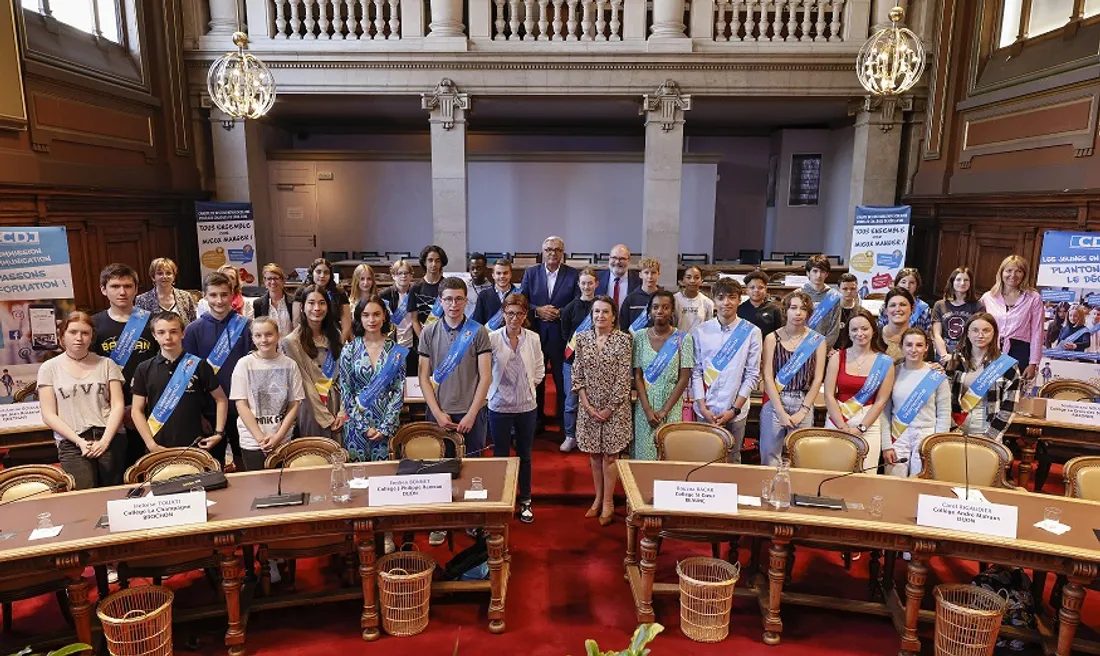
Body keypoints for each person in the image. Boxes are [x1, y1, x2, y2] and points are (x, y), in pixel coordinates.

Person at [419, 277, 492, 545]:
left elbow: (485, 377)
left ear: (466, 300)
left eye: (459, 299)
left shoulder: (478, 331)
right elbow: (423, 377)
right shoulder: (429, 332)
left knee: (473, 469)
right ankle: (440, 522)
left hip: (472, 412)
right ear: (440, 301)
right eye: (448, 299)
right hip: (439, 412)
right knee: (440, 470)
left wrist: (472, 413)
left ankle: (473, 520)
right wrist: (437, 412)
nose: (453, 304)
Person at [38, 312, 125, 489]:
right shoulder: (48, 368)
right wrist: (79, 442)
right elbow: (48, 414)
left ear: (92, 336)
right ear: (62, 336)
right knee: (84, 496)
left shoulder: (107, 364)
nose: (79, 338)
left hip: (108, 438)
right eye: (73, 332)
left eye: (85, 333)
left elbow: (117, 405)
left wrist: (105, 441)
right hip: (72, 442)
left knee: (114, 494)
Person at [572, 296, 632, 526]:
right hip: (588, 408)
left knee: (610, 455)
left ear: (614, 315)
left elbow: (623, 379)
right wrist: (587, 406)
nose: (600, 316)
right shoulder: (583, 339)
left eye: (605, 311)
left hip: (614, 410)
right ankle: (597, 498)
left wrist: (608, 409)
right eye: (596, 311)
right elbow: (577, 374)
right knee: (594, 455)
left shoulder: (623, 340)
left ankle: (608, 502)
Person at [183, 272, 254, 466]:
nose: (219, 300)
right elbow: (189, 376)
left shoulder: (247, 326)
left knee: (245, 461)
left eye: (224, 294)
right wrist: (198, 413)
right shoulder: (193, 330)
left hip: (244, 406)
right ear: (205, 296)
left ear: (232, 294)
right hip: (210, 409)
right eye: (213, 295)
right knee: (214, 464)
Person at [91, 263, 157, 465]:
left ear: (136, 289)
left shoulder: (152, 322)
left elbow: (161, 366)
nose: (122, 292)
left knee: (149, 466)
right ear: (104, 289)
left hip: (149, 407)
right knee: (118, 469)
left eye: (128, 286)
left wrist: (138, 406)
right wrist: (118, 408)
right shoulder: (94, 324)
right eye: (115, 286)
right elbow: (91, 370)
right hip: (109, 410)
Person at [132, 311, 226, 452]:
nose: (168, 337)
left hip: (195, 445)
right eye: (161, 332)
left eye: (174, 331)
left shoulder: (199, 365)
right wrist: (151, 445)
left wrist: (218, 433)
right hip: (158, 446)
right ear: (154, 336)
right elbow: (136, 411)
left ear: (183, 333)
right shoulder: (144, 368)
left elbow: (221, 399)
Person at [488, 293, 545, 523]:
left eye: (519, 313)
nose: (514, 318)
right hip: (499, 405)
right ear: (503, 314)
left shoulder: (533, 338)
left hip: (526, 405)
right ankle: (503, 499)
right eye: (510, 313)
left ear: (525, 315)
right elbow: (484, 372)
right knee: (501, 455)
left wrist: (529, 387)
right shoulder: (492, 338)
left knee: (525, 455)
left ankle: (525, 500)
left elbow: (540, 369)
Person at [691, 279, 762, 463]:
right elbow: (696, 371)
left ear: (739, 299)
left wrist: (734, 409)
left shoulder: (751, 332)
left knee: (733, 459)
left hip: (736, 411)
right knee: (702, 459)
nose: (726, 302)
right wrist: (702, 406)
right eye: (721, 298)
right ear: (714, 300)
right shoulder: (701, 331)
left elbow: (752, 375)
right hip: (705, 410)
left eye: (732, 297)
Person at [758, 290, 827, 466]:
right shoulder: (772, 338)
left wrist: (804, 410)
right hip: (775, 401)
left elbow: (818, 378)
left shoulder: (817, 340)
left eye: (803, 309)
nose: (798, 313)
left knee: (801, 459)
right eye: (793, 308)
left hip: (804, 401)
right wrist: (780, 412)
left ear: (808, 313)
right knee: (769, 456)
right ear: (786, 311)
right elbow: (767, 376)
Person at [518, 235, 579, 428]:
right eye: (549, 250)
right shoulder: (531, 273)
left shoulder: (573, 274)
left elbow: (577, 302)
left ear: (563, 253)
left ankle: (563, 423)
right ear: (542, 253)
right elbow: (523, 300)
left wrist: (559, 313)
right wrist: (537, 310)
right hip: (536, 335)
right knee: (536, 379)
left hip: (562, 337)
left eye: (557, 250)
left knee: (563, 381)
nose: (552, 253)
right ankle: (536, 422)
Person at [823, 308, 895, 470]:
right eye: (854, 329)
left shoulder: (885, 362)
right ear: (848, 333)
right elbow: (828, 394)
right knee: (832, 474)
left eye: (864, 328)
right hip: (838, 420)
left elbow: (881, 401)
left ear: (873, 331)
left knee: (866, 478)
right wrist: (842, 427)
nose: (859, 333)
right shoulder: (837, 357)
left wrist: (861, 428)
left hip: (868, 424)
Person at [230, 317, 304, 471]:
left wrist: (278, 437)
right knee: (257, 487)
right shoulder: (244, 364)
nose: (263, 340)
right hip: (252, 440)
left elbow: (294, 403)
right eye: (258, 335)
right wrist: (260, 438)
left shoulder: (290, 365)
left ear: (278, 336)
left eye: (268, 334)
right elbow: (241, 404)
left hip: (283, 439)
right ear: (252, 338)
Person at [339, 296, 407, 463]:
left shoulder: (396, 351)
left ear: (384, 316)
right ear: (359, 318)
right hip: (356, 425)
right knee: (358, 480)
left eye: (376, 314)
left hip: (387, 423)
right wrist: (363, 427)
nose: (371, 320)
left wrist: (386, 426)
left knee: (386, 480)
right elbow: (345, 391)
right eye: (366, 315)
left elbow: (399, 390)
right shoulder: (349, 349)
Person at [633, 290, 694, 460]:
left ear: (672, 311)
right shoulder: (639, 337)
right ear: (650, 311)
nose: (660, 311)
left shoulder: (684, 339)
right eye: (655, 307)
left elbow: (684, 377)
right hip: (645, 405)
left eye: (665, 307)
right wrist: (647, 410)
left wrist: (664, 411)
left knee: (669, 456)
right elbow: (637, 375)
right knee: (645, 456)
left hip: (672, 405)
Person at [882, 328, 950, 477]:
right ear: (901, 347)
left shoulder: (936, 375)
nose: (914, 349)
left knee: (920, 484)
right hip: (898, 434)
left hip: (926, 435)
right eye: (909, 345)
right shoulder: (892, 372)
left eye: (919, 345)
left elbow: (944, 413)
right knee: (894, 483)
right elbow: (884, 411)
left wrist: (938, 443)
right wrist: (886, 445)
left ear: (926, 347)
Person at [282, 285, 346, 442]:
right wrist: (326, 418)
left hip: (337, 404)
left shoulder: (335, 335)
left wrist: (343, 411)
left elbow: (345, 375)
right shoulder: (291, 342)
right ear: (302, 307)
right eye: (311, 303)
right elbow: (305, 383)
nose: (317, 308)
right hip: (312, 407)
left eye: (322, 303)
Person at [947, 312, 1021, 442]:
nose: (980, 335)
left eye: (986, 331)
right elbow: (944, 400)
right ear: (967, 333)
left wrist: (990, 437)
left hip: (987, 430)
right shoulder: (954, 361)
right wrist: (953, 429)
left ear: (994, 333)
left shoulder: (1007, 365)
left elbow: (1009, 407)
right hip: (956, 428)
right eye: (975, 330)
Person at [980, 255, 1043, 380]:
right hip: (991, 349)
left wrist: (1033, 363)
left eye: (1018, 271)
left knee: (1014, 393)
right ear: (1001, 272)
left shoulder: (1033, 298)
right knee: (989, 392)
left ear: (1024, 274)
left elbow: (1037, 332)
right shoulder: (988, 297)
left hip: (1020, 351)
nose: (1013, 275)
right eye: (1009, 270)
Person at [558, 267, 597, 452]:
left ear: (596, 284)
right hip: (572, 362)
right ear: (578, 284)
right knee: (571, 401)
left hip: (597, 363)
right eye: (583, 283)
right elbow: (565, 335)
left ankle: (589, 436)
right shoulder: (569, 309)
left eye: (590, 283)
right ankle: (570, 436)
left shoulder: (602, 306)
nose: (587, 286)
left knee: (594, 400)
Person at [379, 259, 422, 376]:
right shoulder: (385, 295)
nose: (403, 276)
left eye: (406, 273)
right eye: (399, 273)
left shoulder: (417, 294)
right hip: (392, 346)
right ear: (393, 276)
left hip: (412, 346)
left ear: (411, 275)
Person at [931, 267, 983, 363]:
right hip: (943, 353)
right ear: (952, 282)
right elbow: (937, 334)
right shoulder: (940, 305)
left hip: (967, 354)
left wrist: (959, 358)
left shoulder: (977, 306)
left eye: (966, 280)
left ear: (970, 283)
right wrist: (944, 356)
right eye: (958, 279)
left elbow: (977, 334)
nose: (962, 283)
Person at [294, 258, 351, 343]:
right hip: (307, 339)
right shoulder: (301, 292)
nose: (322, 275)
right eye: (318, 272)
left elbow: (346, 326)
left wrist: (339, 345)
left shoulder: (339, 293)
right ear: (312, 273)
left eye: (326, 272)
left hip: (334, 339)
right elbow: (296, 321)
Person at [135, 258, 197, 326]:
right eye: (160, 273)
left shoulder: (186, 296)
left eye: (168, 273)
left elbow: (194, 324)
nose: (164, 276)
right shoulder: (142, 300)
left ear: (174, 276)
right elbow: (137, 327)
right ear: (153, 277)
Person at [802, 255, 843, 347]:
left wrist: (823, 348)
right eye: (815, 271)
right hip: (800, 348)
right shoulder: (798, 294)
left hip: (824, 347)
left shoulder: (833, 296)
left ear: (827, 274)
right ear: (808, 273)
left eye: (822, 272)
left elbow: (834, 328)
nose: (819, 275)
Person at [473, 258, 518, 331]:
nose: (502, 276)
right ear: (493, 275)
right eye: (498, 273)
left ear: (510, 275)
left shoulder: (519, 295)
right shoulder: (484, 295)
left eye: (505, 273)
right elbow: (477, 322)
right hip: (490, 338)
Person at [252, 263, 294, 337]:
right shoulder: (258, 304)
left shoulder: (294, 302)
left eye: (276, 278)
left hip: (290, 346)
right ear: (264, 281)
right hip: (269, 346)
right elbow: (258, 329)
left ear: (282, 280)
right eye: (269, 279)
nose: (273, 282)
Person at [620, 257, 661, 333]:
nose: (650, 276)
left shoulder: (664, 298)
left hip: (659, 341)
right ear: (640, 275)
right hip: (635, 341)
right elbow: (623, 325)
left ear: (659, 274)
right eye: (646, 273)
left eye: (653, 273)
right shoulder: (631, 299)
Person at [411, 245, 448, 327]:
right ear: (424, 262)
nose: (434, 264)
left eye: (437, 261)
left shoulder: (447, 286)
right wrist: (422, 338)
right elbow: (414, 320)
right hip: (422, 334)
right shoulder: (415, 288)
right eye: (430, 260)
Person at [738, 269, 782, 338]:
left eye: (760, 288)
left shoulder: (774, 309)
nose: (756, 290)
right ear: (746, 290)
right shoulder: (739, 310)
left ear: (766, 289)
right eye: (752, 288)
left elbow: (779, 332)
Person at [595, 244, 639, 311]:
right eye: (614, 258)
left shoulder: (639, 281)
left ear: (629, 260)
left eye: (622, 258)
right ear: (609, 258)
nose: (618, 262)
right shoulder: (596, 278)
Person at [880, 287, 918, 361]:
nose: (897, 309)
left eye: (903, 305)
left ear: (912, 308)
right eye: (892, 305)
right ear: (886, 310)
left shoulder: (921, 339)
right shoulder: (873, 337)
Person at [674, 266, 714, 334]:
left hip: (699, 342)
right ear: (683, 280)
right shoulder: (674, 300)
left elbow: (709, 328)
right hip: (678, 341)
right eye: (688, 277)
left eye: (696, 278)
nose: (692, 281)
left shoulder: (708, 303)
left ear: (701, 281)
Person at [834, 272, 862, 350]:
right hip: (833, 351)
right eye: (845, 289)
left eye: (852, 289)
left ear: (857, 289)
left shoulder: (861, 312)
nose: (849, 292)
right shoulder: (831, 311)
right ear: (838, 289)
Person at [467, 253, 494, 317]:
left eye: (479, 268)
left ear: (485, 269)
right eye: (472, 268)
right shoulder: (464, 288)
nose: (475, 271)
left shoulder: (492, 289)